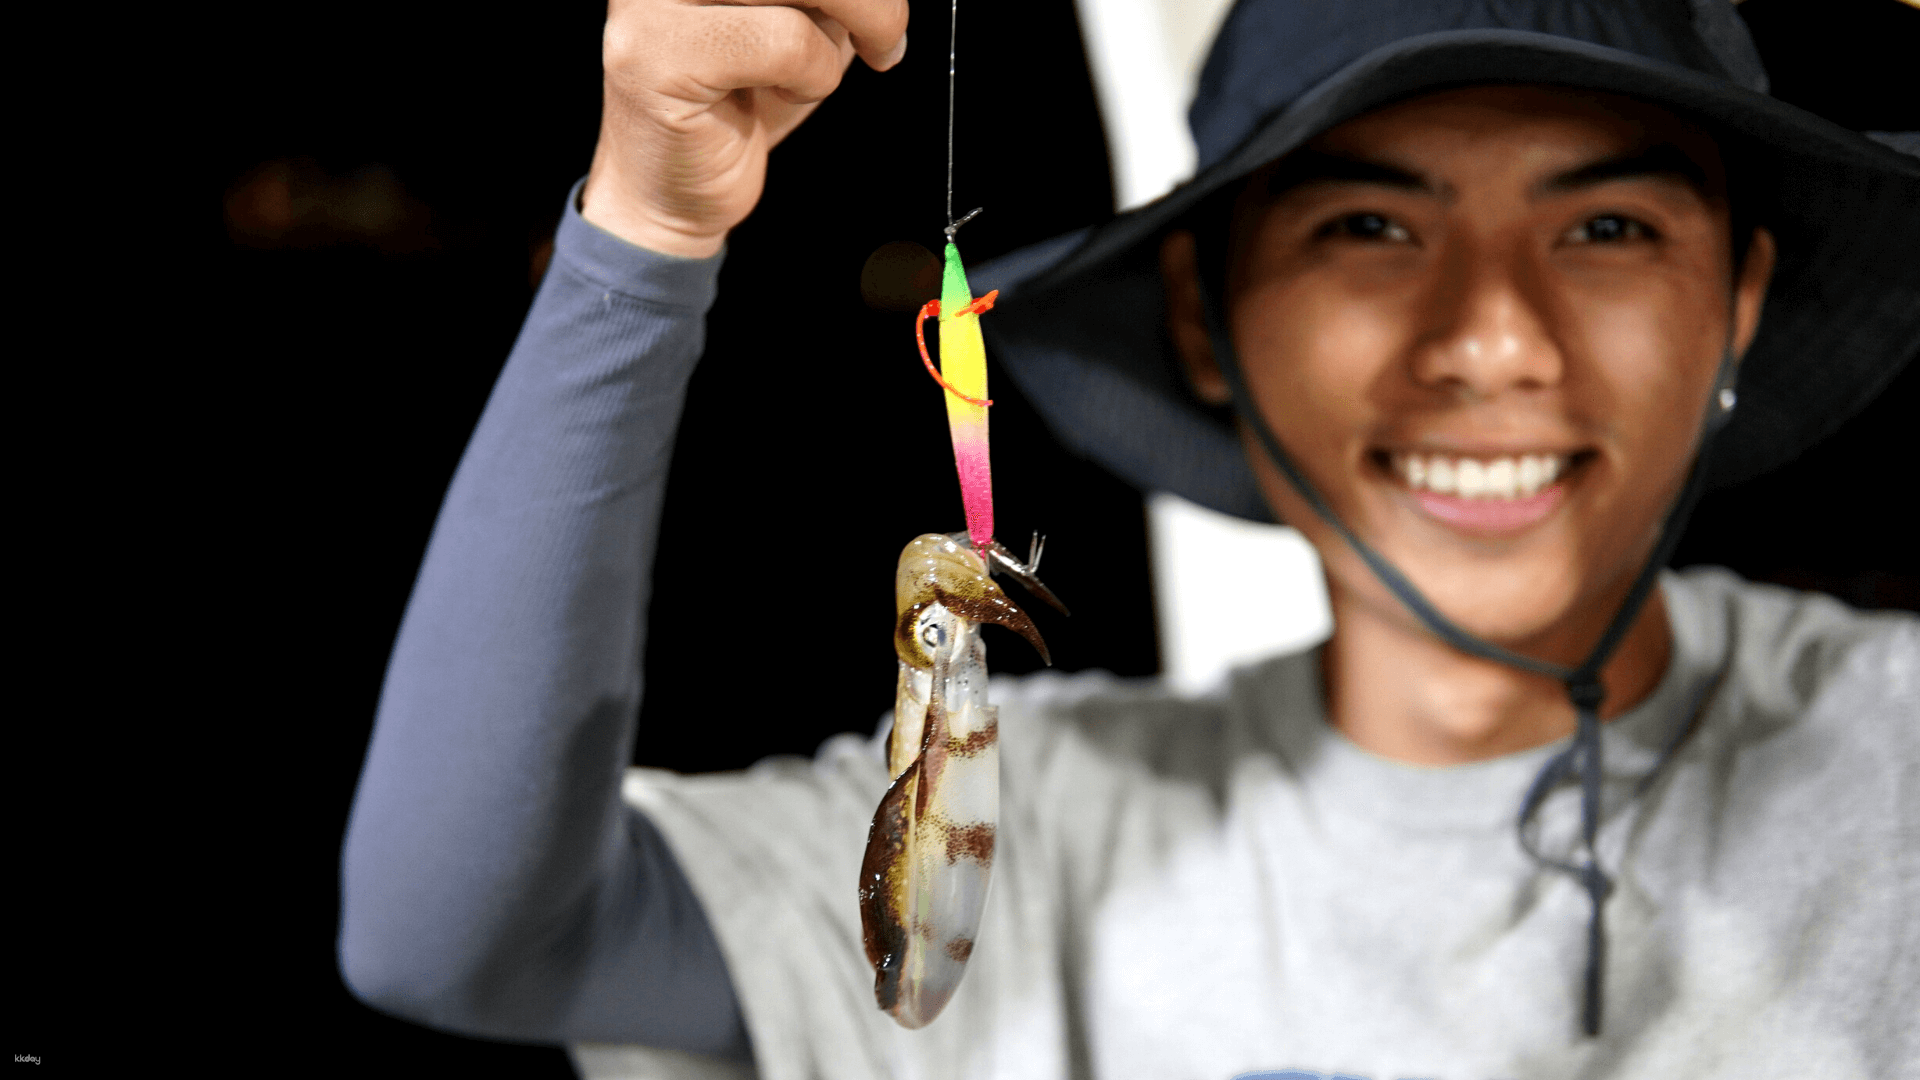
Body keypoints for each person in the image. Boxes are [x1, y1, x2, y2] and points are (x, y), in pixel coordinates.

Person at [339, 0, 1920, 1076]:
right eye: (1368, 226)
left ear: (1743, 299)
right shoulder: (1049, 828)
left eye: (1607, 226)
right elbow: (458, 939)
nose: (1491, 340)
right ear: (1205, 317)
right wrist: (648, 232)